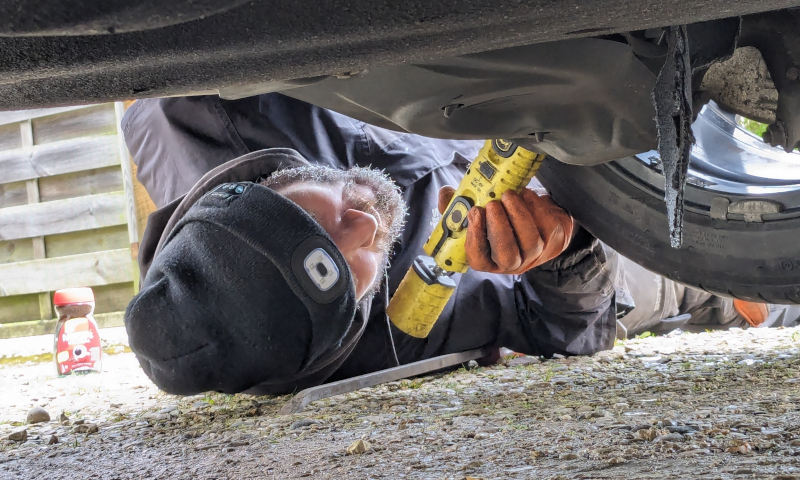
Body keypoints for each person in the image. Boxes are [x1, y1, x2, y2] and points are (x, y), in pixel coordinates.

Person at [122, 93, 617, 395]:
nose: (363, 227)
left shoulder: (199, 106)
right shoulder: (393, 339)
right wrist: (566, 251)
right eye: (344, 274)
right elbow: (566, 332)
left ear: (264, 185)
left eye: (311, 217)